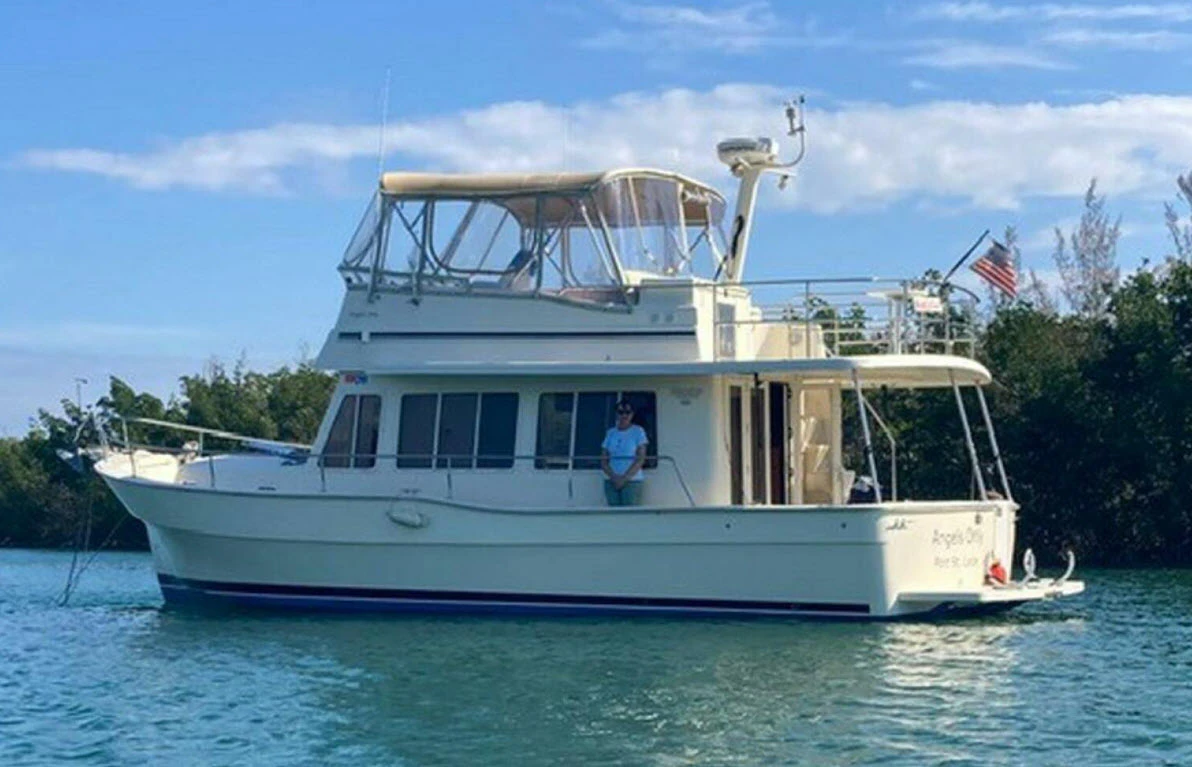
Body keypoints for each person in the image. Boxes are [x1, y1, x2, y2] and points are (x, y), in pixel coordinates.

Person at [601, 400, 648, 506]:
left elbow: (640, 458)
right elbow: (604, 460)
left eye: (628, 412)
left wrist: (624, 478)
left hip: (632, 480)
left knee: (630, 516)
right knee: (613, 516)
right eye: (621, 412)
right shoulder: (610, 433)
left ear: (632, 414)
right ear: (617, 414)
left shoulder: (638, 431)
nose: (624, 415)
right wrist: (614, 477)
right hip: (610, 480)